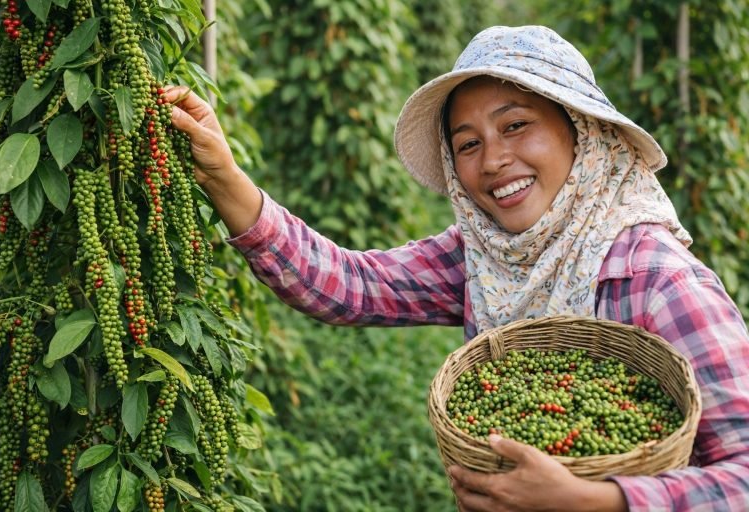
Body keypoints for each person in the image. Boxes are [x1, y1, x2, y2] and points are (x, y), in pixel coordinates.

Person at [168, 25, 749, 512]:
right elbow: (352, 287)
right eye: (467, 144)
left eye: (517, 125)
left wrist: (597, 499)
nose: (494, 160)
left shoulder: (658, 279)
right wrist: (224, 176)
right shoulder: (485, 253)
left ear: (583, 133)